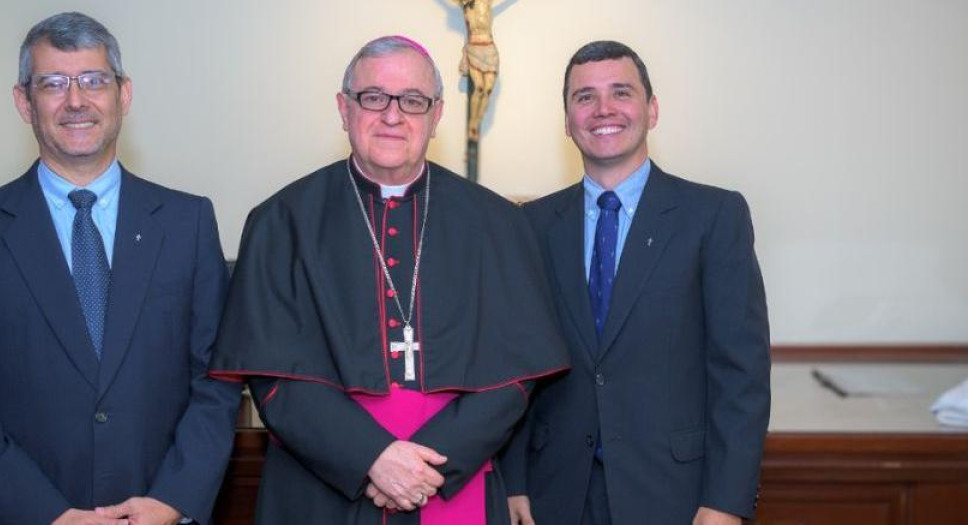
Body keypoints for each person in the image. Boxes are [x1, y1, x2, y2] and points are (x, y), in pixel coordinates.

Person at [209, 36, 569, 524]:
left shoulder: (496, 223)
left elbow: (515, 379)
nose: (393, 116)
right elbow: (274, 380)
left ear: (436, 114)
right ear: (344, 107)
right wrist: (372, 457)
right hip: (319, 487)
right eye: (373, 97)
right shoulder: (282, 221)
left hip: (450, 477)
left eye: (413, 101)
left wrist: (431, 461)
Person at [0, 12, 241, 525]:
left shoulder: (188, 223)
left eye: (94, 81)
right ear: (24, 102)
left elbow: (217, 379)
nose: (76, 101)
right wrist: (46, 514)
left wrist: (173, 499)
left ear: (124, 95)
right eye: (53, 84)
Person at [502, 41, 771, 525]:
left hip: (676, 496)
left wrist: (727, 502)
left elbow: (741, 377)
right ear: (566, 120)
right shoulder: (532, 225)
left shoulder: (713, 217)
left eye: (620, 92)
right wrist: (514, 480)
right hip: (555, 494)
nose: (603, 109)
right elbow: (518, 370)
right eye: (584, 97)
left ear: (652, 109)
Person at [455, 0, 500, 142]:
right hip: (474, 48)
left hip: (489, 49)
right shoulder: (464, 3)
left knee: (488, 90)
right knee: (479, 88)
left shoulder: (487, 2)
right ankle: (472, 126)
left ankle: (476, 121)